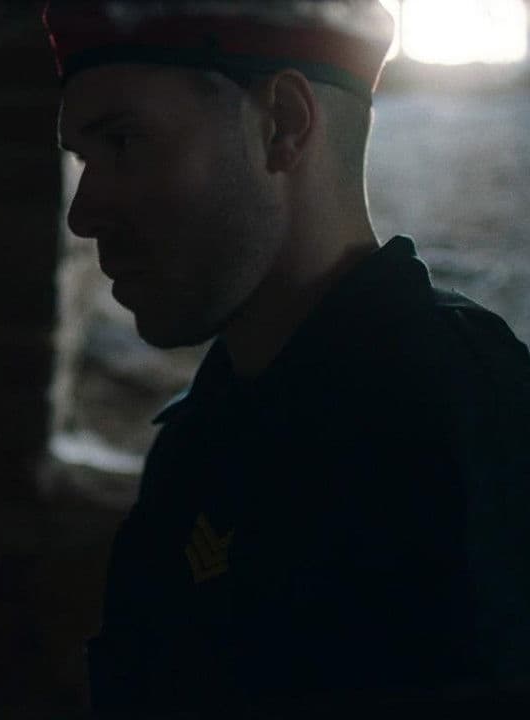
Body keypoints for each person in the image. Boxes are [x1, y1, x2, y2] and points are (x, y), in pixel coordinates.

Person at [44, 0, 530, 717]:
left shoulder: (464, 424)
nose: (82, 213)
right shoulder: (202, 433)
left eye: (123, 141)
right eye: (84, 158)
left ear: (282, 125)